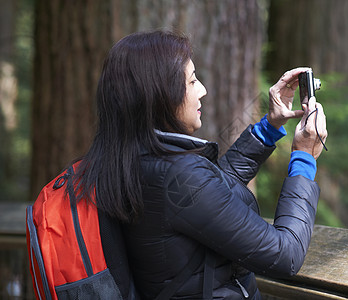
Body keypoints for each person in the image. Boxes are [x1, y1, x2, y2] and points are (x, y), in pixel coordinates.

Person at [73, 30, 327, 299]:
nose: (203, 90)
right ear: (161, 94)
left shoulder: (130, 158)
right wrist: (304, 159)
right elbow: (285, 254)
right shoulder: (177, 176)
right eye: (192, 81)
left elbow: (211, 194)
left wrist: (269, 128)